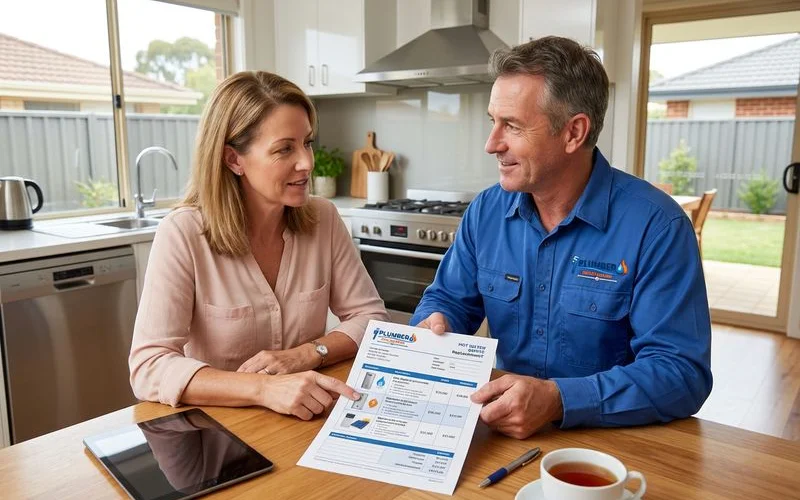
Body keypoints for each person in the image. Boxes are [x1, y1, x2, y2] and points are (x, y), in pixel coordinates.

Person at [411, 36, 712, 439]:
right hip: (499, 434)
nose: (491, 144)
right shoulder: (486, 211)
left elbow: (681, 372)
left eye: (512, 126)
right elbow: (447, 300)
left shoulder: (657, 226)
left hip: (610, 445)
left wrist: (559, 399)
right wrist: (435, 323)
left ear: (574, 132)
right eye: (492, 121)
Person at [130, 71, 389, 420]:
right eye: (285, 149)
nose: (307, 163)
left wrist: (309, 353)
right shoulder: (183, 234)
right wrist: (264, 389)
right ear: (233, 159)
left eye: (307, 143)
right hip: (218, 431)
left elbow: (370, 317)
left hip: (307, 418)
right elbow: (149, 366)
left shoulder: (323, 218)